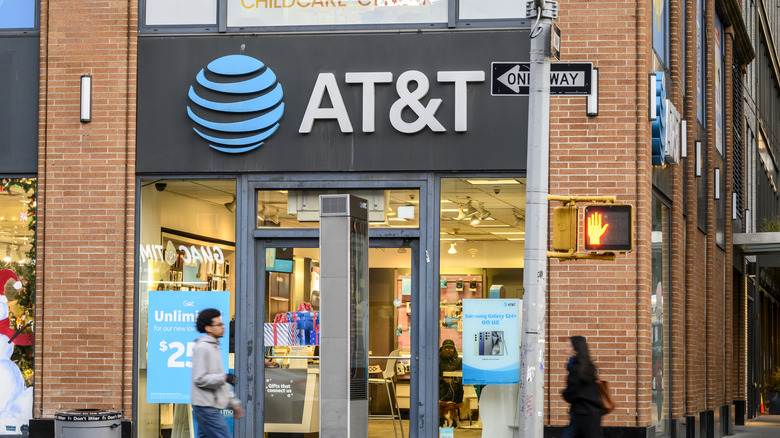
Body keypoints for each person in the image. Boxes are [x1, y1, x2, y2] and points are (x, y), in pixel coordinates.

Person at [192, 308, 244, 438]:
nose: (223, 327)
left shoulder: (214, 347)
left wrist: (233, 403)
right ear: (208, 328)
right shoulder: (203, 347)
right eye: (219, 324)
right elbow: (199, 378)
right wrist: (224, 377)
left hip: (210, 407)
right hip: (206, 407)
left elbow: (220, 380)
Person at [561, 335, 604, 438]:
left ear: (576, 350)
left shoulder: (576, 369)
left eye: (568, 346)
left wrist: (564, 393)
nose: (566, 349)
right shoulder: (589, 367)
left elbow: (570, 394)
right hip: (591, 413)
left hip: (581, 415)